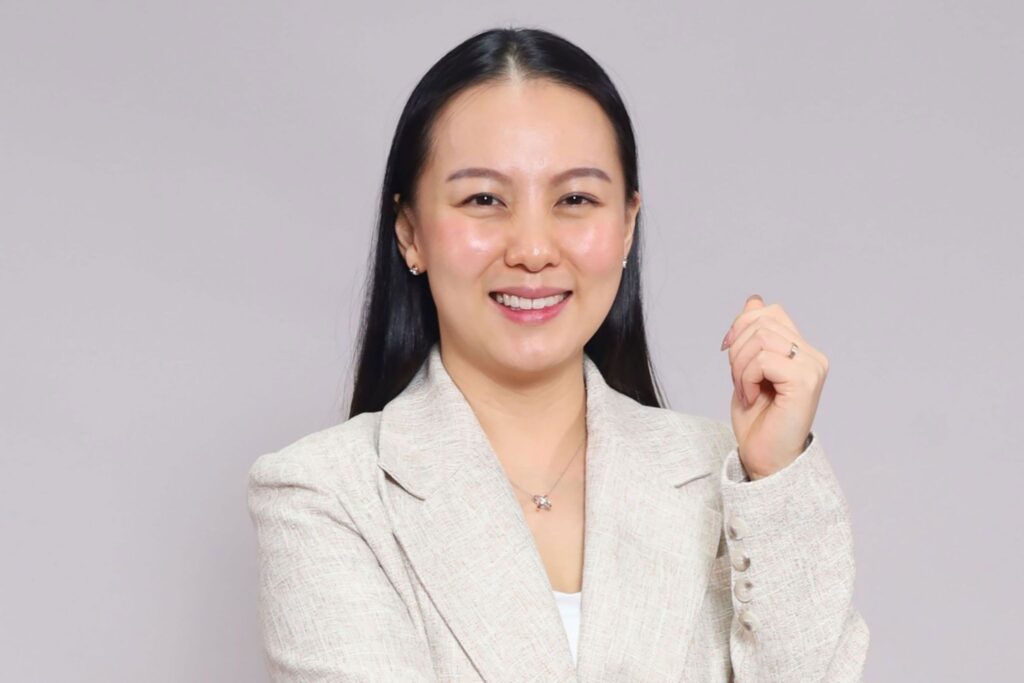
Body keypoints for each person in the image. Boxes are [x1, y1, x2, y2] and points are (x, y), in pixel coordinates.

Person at [246, 26, 869, 682]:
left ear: (627, 224)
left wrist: (773, 478)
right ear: (410, 232)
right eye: (483, 199)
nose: (534, 248)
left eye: (575, 199)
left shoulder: (729, 479)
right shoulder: (325, 493)